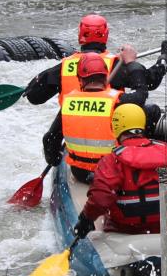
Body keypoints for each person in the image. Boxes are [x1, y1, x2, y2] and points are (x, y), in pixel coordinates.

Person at [73, 103, 167, 237]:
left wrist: (86, 219)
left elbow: (100, 198)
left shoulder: (112, 160)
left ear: (116, 126)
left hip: (127, 230)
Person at [23, 13, 167, 105]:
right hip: (106, 130)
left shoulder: (63, 67)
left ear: (80, 36)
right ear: (106, 35)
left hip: (73, 129)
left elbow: (35, 97)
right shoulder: (116, 65)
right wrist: (165, 58)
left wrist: (35, 81)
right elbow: (150, 82)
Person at [45, 51, 121, 180]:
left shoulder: (68, 103)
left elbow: (49, 138)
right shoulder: (118, 101)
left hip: (80, 173)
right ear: (105, 77)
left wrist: (55, 160)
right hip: (110, 173)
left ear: (80, 79)